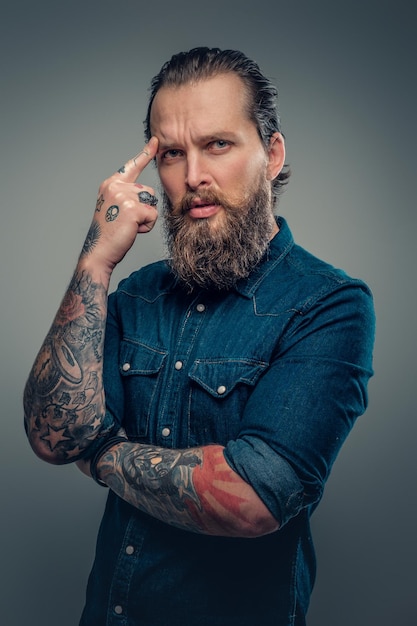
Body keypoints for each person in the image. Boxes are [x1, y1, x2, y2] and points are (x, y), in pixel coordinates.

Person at [23, 47, 375, 626]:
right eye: (170, 154)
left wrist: (103, 452)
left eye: (218, 144)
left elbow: (255, 499)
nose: (193, 178)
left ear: (273, 154)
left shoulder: (329, 304)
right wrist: (95, 264)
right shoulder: (135, 293)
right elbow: (51, 433)